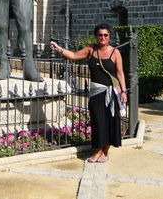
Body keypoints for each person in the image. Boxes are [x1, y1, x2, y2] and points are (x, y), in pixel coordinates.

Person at [50, 23, 127, 163]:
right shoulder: (91, 50)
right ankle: (97, 151)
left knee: (110, 122)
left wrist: (124, 91)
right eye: (100, 35)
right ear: (96, 36)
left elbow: (120, 73)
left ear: (109, 36)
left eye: (105, 35)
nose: (103, 37)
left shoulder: (115, 52)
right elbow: (73, 55)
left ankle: (105, 152)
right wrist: (59, 49)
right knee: (98, 122)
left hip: (112, 93)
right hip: (96, 94)